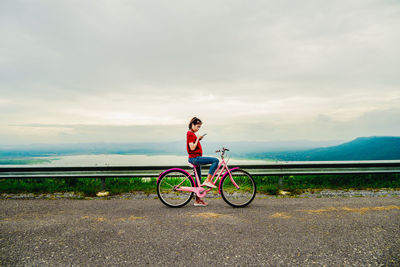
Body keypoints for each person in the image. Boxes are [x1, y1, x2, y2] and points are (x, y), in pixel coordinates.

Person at [187, 117, 219, 207]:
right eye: (197, 126)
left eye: (199, 127)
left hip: (195, 158)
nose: (198, 129)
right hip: (195, 158)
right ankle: (208, 180)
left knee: (198, 181)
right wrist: (197, 139)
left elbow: (193, 145)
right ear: (192, 125)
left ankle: (197, 201)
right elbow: (192, 148)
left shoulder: (192, 134)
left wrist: (198, 139)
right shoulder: (190, 134)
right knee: (215, 161)